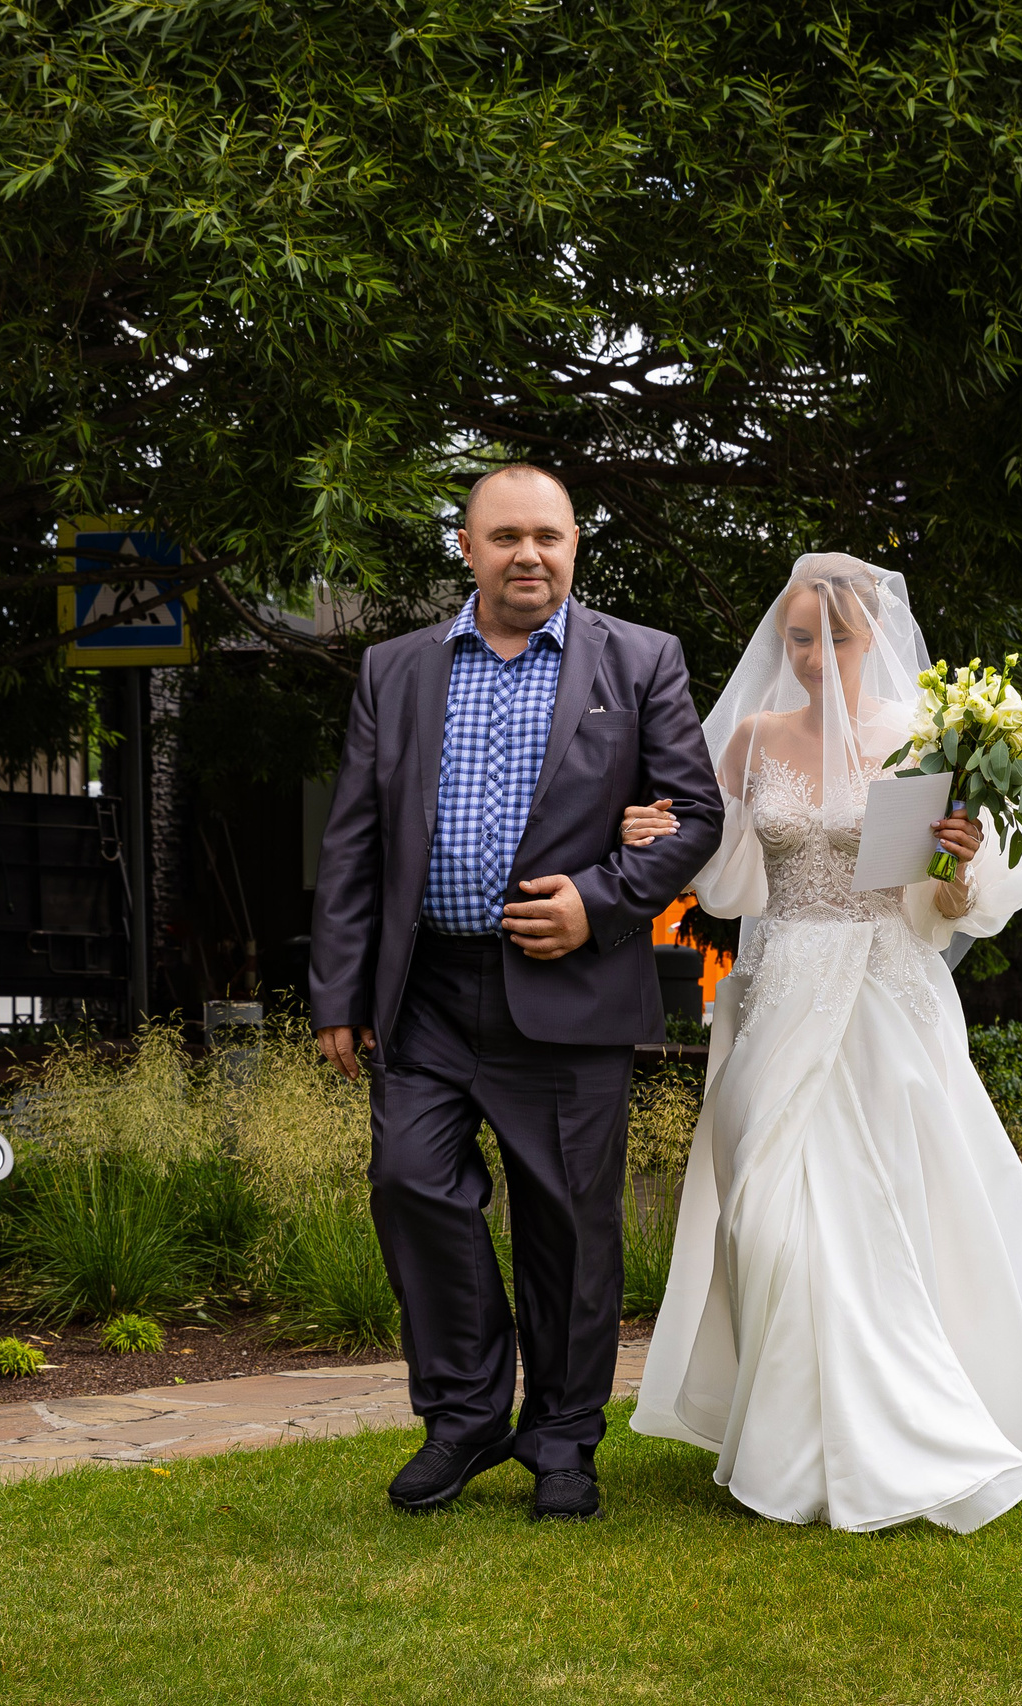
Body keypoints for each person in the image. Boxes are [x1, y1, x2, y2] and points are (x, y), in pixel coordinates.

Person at [623, 552, 1022, 1533]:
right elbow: (714, 870)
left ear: (872, 639)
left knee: (885, 1215)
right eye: (799, 636)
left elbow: (949, 899)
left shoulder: (924, 740)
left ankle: (903, 1433)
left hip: (883, 996)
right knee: (760, 1215)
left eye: (836, 636)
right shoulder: (755, 739)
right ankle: (788, 1434)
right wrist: (650, 827)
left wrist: (964, 866)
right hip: (773, 998)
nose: (815, 654)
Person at [308, 464, 723, 1521]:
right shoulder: (393, 670)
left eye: (546, 535)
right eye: (504, 536)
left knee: (571, 1229)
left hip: (571, 992)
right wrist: (337, 992)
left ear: (575, 543)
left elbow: (693, 817)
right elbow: (352, 841)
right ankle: (463, 1413)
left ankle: (563, 1439)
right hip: (428, 992)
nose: (526, 554)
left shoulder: (640, 661)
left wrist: (600, 900)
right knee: (409, 1183)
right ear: (466, 547)